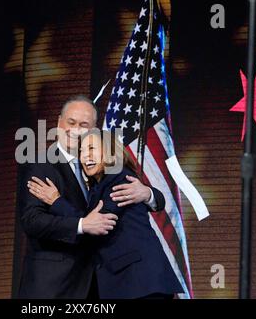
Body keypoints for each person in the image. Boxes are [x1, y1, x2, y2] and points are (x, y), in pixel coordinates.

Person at [17, 95, 166, 298]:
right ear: (59, 123)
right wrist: (81, 225)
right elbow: (32, 220)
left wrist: (147, 193)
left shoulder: (103, 170)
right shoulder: (40, 164)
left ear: (95, 129)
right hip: (54, 285)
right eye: (71, 122)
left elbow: (105, 217)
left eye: (84, 124)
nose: (76, 129)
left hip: (100, 285)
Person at [30, 129, 183, 298]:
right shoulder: (99, 186)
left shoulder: (119, 177)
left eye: (91, 149)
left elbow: (99, 222)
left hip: (141, 282)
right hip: (130, 284)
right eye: (81, 151)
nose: (84, 156)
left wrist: (56, 201)